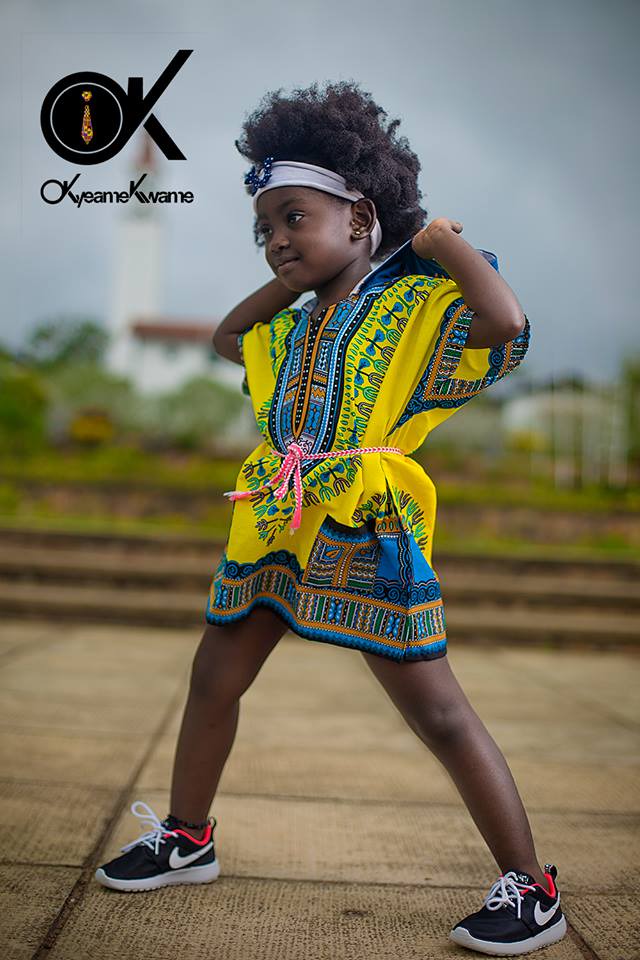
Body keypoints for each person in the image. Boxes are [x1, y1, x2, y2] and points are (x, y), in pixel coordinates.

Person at [95, 81, 566, 956]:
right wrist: (297, 272)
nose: (275, 240)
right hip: (277, 519)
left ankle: (533, 890)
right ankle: (188, 837)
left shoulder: (416, 302)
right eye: (263, 227)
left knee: (437, 712)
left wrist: (439, 246)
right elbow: (228, 337)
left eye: (294, 218)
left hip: (363, 522)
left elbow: (505, 325)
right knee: (213, 678)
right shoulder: (301, 320)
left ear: (360, 215)